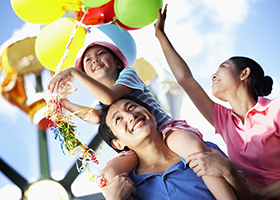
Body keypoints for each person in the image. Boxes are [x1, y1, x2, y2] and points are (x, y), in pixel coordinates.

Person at [47, 33, 238, 199]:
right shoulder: (102, 103)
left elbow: (109, 96)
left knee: (195, 150)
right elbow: (95, 117)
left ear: (116, 62)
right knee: (110, 175)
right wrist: (63, 104)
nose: (94, 60)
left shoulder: (128, 75)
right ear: (87, 74)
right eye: (87, 60)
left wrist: (73, 72)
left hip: (165, 131)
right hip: (137, 143)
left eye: (100, 54)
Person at [155, 4, 280, 200]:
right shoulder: (224, 120)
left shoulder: (275, 110)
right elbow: (185, 78)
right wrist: (160, 35)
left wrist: (263, 193)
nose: (214, 74)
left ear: (244, 73)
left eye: (222, 67)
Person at [98, 96, 241, 200]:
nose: (130, 115)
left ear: (151, 114)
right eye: (118, 119)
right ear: (117, 144)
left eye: (131, 107)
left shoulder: (205, 150)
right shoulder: (130, 188)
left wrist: (230, 172)